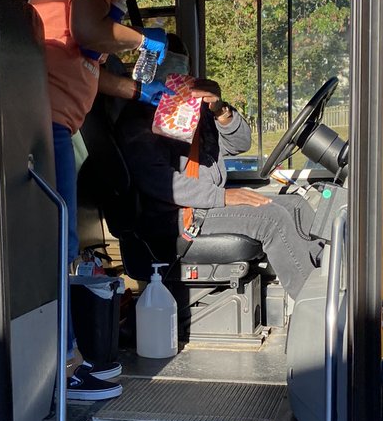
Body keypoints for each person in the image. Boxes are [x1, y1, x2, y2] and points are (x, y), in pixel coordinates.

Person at [29, 0, 212, 399]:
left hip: (57, 117)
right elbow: (89, 32)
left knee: (60, 240)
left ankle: (72, 359)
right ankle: (65, 367)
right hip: (45, 119)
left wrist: (141, 91)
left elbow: (87, 61)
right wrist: (144, 36)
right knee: (58, 243)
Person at [115, 77, 323, 301]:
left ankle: (326, 281)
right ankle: (313, 310)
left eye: (184, 67)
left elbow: (239, 144)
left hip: (204, 205)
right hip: (176, 216)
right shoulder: (139, 116)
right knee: (272, 219)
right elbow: (159, 181)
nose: (178, 75)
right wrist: (222, 196)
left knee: (297, 205)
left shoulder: (195, 108)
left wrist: (220, 110)